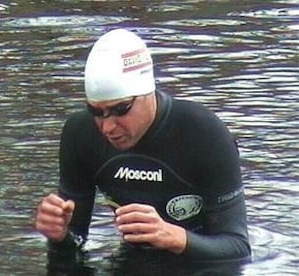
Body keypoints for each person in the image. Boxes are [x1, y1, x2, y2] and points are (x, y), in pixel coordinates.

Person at [35, 28, 251, 263]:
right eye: (96, 112)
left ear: (147, 93)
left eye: (121, 110)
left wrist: (177, 238)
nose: (108, 127)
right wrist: (59, 235)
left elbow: (237, 247)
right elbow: (74, 244)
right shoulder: (80, 134)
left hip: (201, 266)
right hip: (129, 260)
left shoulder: (203, 132)